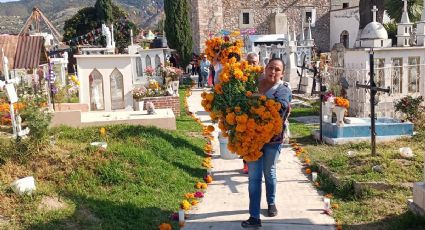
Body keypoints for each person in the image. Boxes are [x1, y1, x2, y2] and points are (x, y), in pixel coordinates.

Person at [241, 58, 292, 228]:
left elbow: (281, 105)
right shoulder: (254, 84)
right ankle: (254, 216)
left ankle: (271, 202)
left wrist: (257, 99)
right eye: (270, 68)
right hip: (253, 139)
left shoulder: (283, 89)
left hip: (273, 140)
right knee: (254, 177)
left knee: (269, 171)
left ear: (282, 73)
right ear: (265, 68)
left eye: (277, 69)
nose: (273, 72)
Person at [241, 52, 261, 174]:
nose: (251, 64)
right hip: (244, 111)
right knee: (244, 140)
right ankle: (246, 164)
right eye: (249, 62)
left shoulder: (262, 76)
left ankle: (257, 163)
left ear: (258, 63)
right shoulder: (241, 76)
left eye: (254, 62)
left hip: (258, 112)